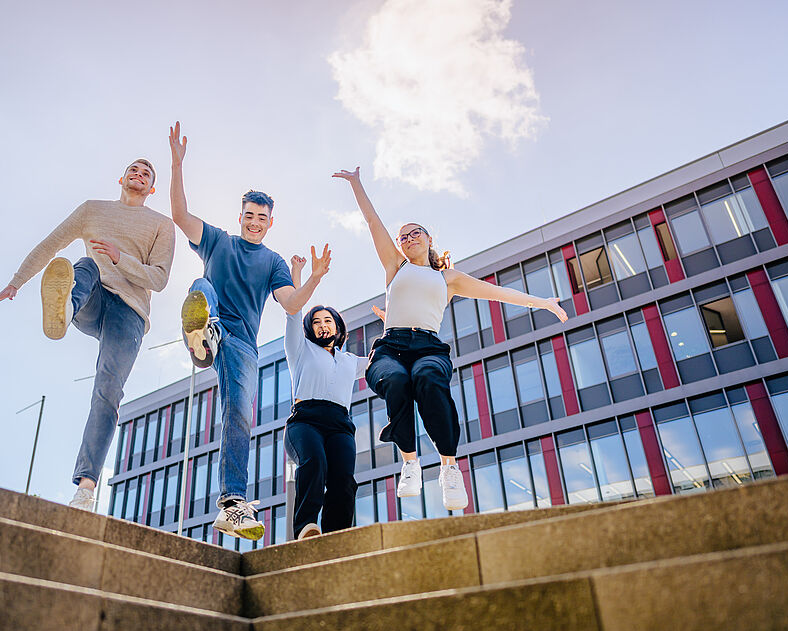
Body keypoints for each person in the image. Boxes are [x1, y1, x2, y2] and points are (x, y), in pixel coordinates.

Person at [333, 166, 568, 510]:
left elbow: (495, 292)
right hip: (391, 348)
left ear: (429, 239)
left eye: (414, 234)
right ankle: (410, 462)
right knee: (397, 381)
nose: (407, 239)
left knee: (428, 379)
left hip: (428, 346)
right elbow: (373, 223)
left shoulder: (448, 277)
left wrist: (541, 302)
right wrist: (357, 184)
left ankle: (449, 467)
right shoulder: (395, 266)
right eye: (403, 237)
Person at [0, 159, 175, 511]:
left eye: (147, 174)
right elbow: (49, 245)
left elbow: (159, 279)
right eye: (134, 169)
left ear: (151, 189)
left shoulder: (161, 225)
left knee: (108, 389)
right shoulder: (92, 210)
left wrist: (120, 258)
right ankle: (67, 309)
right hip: (92, 296)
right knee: (81, 265)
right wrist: (14, 284)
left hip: (130, 313)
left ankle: (85, 489)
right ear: (121, 178)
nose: (139, 174)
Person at [168, 121, 328, 540]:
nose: (254, 223)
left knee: (239, 414)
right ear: (239, 217)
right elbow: (181, 217)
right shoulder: (219, 241)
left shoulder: (273, 261)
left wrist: (313, 279)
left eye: (262, 218)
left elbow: (292, 304)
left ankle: (233, 505)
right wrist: (177, 164)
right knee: (202, 285)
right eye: (249, 216)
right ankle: (202, 334)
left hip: (242, 346)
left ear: (270, 223)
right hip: (215, 321)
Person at [283, 247, 368, 540]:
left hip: (340, 425)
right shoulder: (300, 349)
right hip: (305, 421)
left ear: (338, 327)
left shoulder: (350, 360)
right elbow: (293, 311)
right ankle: (306, 527)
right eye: (316, 321)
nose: (322, 325)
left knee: (344, 480)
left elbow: (380, 360)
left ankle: (337, 536)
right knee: (315, 463)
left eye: (328, 321)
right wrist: (307, 276)